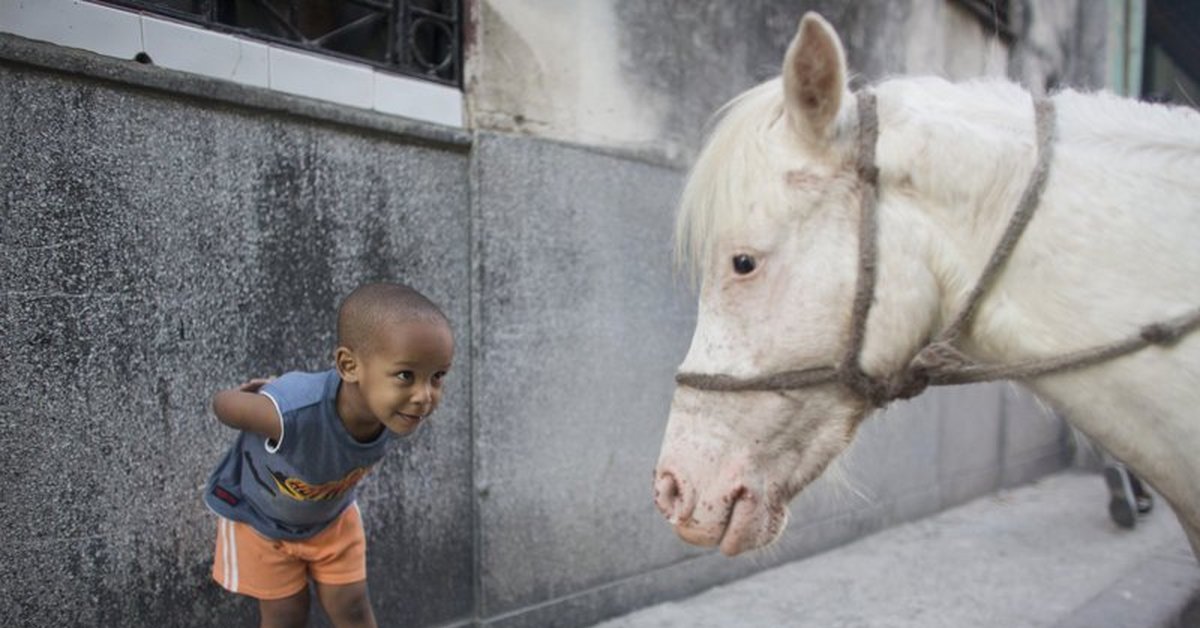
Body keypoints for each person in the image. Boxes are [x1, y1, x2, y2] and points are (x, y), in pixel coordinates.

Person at [204, 282, 454, 627]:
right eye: (405, 375)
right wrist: (255, 396)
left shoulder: (396, 413)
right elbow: (224, 406)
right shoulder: (291, 416)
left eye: (437, 377)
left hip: (331, 520)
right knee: (286, 614)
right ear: (349, 366)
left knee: (353, 608)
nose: (424, 395)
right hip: (261, 522)